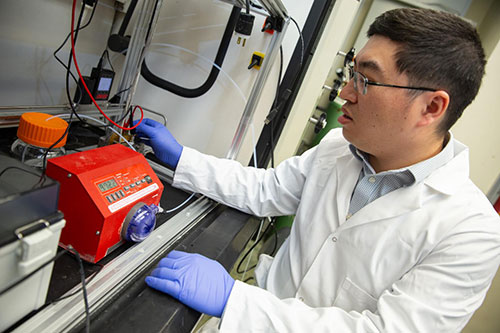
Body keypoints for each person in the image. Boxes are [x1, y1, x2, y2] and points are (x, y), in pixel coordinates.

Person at [136, 7, 500, 332]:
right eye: (351, 74)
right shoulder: (338, 149)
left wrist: (237, 301)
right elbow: (264, 190)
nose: (345, 93)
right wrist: (183, 158)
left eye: (366, 81)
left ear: (432, 107)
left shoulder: (471, 232)